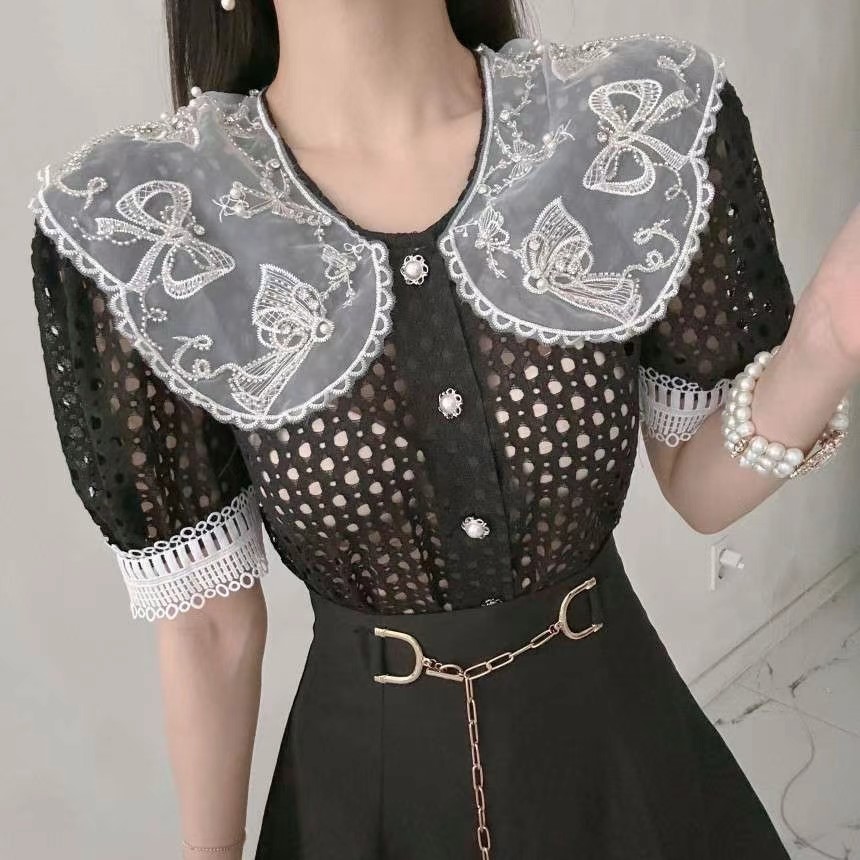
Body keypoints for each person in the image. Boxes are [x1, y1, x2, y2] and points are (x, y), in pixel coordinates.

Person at [27, 1, 860, 857]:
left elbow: (700, 486)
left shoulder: (637, 123)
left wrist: (831, 338)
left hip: (623, 762)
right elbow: (209, 627)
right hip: (361, 800)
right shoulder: (144, 230)